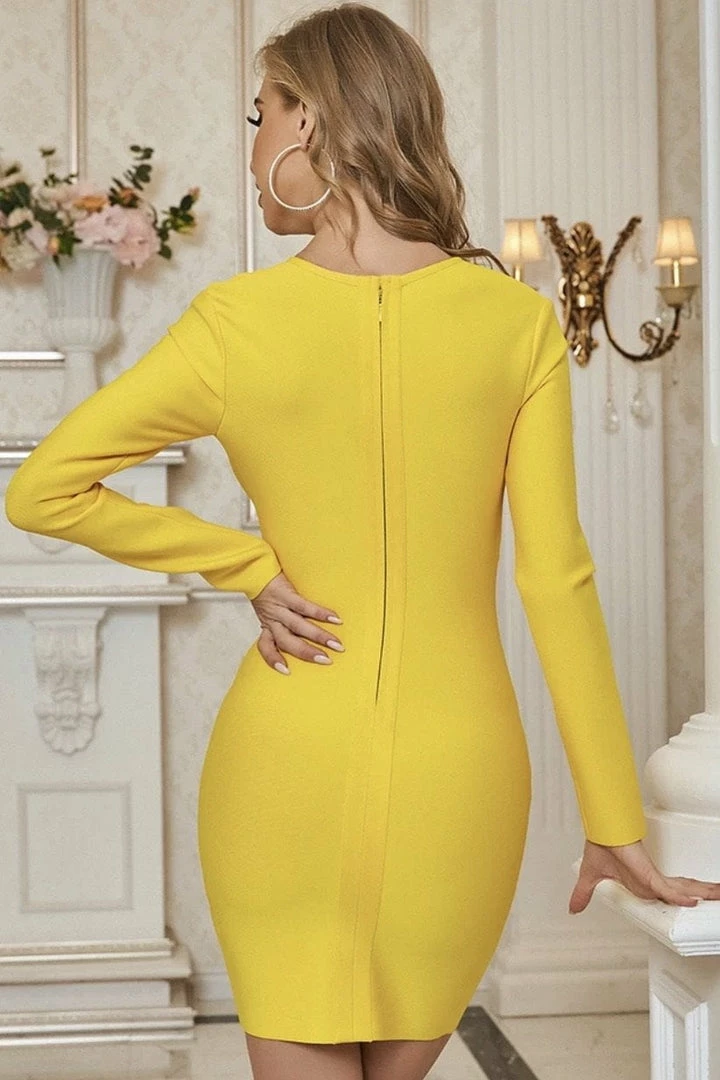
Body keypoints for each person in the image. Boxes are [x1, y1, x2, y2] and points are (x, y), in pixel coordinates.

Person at [5, 4, 720, 1079]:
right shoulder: (516, 323)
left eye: (261, 116)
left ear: (309, 124)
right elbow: (556, 580)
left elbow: (43, 490)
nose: (251, 146)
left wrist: (247, 566)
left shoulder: (233, 324)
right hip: (462, 774)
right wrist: (614, 818)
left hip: (283, 760)